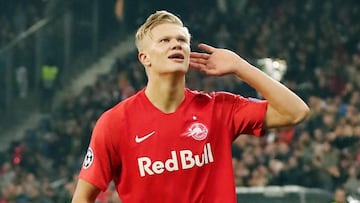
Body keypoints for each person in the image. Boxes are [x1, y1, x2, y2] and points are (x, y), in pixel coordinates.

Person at [72, 10, 310, 203]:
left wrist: (240, 66)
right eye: (165, 40)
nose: (176, 45)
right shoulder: (115, 122)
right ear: (145, 58)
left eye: (182, 40)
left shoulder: (219, 108)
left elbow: (296, 111)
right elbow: (83, 197)